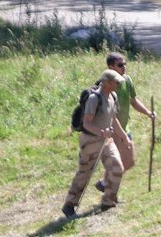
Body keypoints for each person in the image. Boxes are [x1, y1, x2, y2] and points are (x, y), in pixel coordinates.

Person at [63, 71, 125, 218]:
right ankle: (70, 204)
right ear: (108, 82)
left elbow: (113, 118)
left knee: (117, 167)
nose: (119, 85)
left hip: (106, 141)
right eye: (117, 82)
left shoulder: (113, 96)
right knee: (85, 172)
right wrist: (101, 132)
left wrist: (123, 136)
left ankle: (108, 200)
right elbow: (87, 123)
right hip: (91, 141)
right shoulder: (94, 99)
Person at [96, 52, 154, 194]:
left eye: (125, 64)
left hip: (124, 126)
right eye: (120, 65)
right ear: (110, 67)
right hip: (111, 129)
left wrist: (147, 112)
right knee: (122, 161)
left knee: (127, 161)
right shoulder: (106, 86)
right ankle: (109, 189)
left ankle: (105, 183)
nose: (124, 67)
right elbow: (110, 114)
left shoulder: (127, 81)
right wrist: (121, 133)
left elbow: (133, 100)